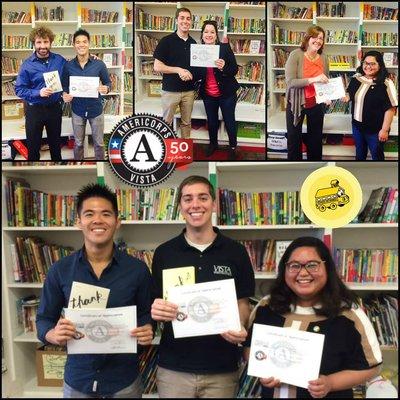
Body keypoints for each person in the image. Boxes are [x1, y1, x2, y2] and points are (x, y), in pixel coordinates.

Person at [36, 183, 154, 398]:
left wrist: (148, 328)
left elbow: (147, 314)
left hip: (124, 381)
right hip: (78, 380)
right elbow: (43, 319)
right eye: (89, 214)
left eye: (106, 214)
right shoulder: (59, 270)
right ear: (78, 222)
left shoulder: (137, 270)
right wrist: (52, 334)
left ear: (117, 222)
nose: (98, 220)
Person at [151, 175, 255, 398]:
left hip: (222, 368)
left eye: (203, 197)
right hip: (173, 368)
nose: (195, 205)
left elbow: (243, 302)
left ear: (214, 204)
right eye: (187, 199)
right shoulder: (164, 253)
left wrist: (239, 324)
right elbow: (157, 303)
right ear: (180, 206)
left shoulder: (235, 251)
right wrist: (157, 310)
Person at [244, 236, 382, 398]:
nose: (303, 272)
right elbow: (249, 348)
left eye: (312, 265)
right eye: (294, 266)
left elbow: (372, 366)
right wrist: (262, 371)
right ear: (284, 270)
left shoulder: (348, 315)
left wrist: (330, 383)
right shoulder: (267, 306)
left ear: (327, 268)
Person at [15, 26, 65, 160]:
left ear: (50, 43)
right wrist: (38, 92)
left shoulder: (60, 60)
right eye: (39, 42)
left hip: (54, 108)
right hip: (34, 111)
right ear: (34, 43)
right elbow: (19, 90)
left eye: (45, 42)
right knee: (33, 147)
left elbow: (73, 71)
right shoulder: (27, 65)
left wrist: (91, 57)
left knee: (56, 147)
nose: (42, 46)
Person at [62, 29, 111, 160]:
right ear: (74, 45)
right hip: (77, 110)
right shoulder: (68, 66)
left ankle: (100, 168)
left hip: (96, 109)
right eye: (78, 42)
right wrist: (65, 94)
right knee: (78, 143)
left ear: (89, 44)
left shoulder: (99, 64)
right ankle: (79, 165)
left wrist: (106, 88)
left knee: (99, 144)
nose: (81, 44)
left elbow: (108, 83)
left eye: (84, 41)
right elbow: (65, 86)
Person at [194, 21, 240, 160]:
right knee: (212, 121)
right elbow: (196, 74)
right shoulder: (197, 51)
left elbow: (234, 70)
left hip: (227, 93)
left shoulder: (224, 48)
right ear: (202, 35)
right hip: (208, 94)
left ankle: (233, 147)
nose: (209, 35)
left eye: (212, 32)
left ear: (216, 35)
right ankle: (213, 144)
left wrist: (223, 67)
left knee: (229, 120)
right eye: (206, 32)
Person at [285, 25, 330, 161]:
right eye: (314, 37)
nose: (318, 40)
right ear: (307, 38)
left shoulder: (324, 58)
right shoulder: (295, 55)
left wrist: (327, 96)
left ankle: (315, 169)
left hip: (316, 103)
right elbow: (291, 82)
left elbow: (325, 81)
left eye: (321, 38)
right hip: (296, 103)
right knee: (294, 139)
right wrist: (314, 79)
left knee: (316, 140)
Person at [345, 50, 398, 160]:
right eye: (365, 63)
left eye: (372, 63)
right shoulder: (356, 78)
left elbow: (391, 109)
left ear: (380, 65)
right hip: (357, 127)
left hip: (376, 130)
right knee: (359, 154)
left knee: (377, 156)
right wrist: (345, 97)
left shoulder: (386, 83)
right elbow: (349, 94)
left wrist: (384, 130)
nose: (368, 66)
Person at [153, 7, 196, 139]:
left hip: (189, 92)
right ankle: (164, 151)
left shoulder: (193, 43)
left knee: (186, 123)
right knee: (166, 123)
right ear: (176, 20)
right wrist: (178, 70)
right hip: (170, 91)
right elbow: (157, 66)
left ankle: (184, 153)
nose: (185, 21)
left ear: (191, 21)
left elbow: (195, 68)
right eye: (182, 18)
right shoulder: (166, 41)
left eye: (188, 19)